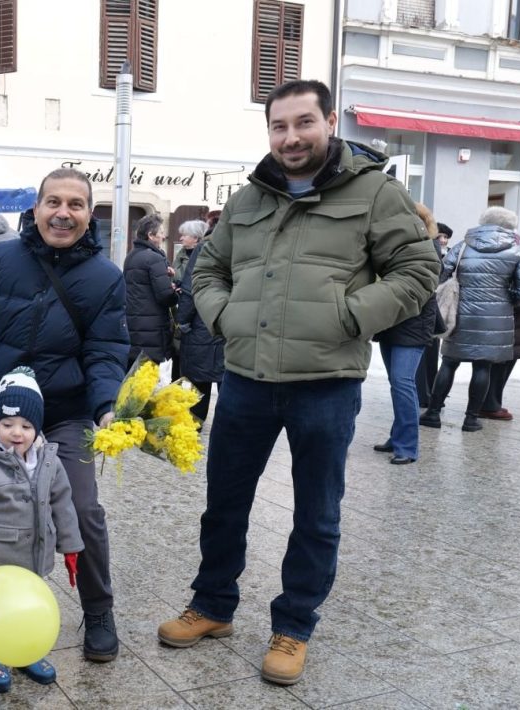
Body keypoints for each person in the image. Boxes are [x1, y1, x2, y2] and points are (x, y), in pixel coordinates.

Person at [159, 79, 438, 685]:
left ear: (329, 122)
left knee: (317, 513)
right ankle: (212, 605)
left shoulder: (375, 192)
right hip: (247, 378)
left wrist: (349, 316)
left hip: (327, 383)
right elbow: (207, 267)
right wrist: (225, 317)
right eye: (279, 126)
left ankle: (294, 625)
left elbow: (419, 268)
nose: (291, 137)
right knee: (225, 504)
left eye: (303, 123)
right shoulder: (249, 197)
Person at [0, 167, 129, 663]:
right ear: (36, 209)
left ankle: (97, 607)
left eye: (75, 205)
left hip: (65, 412)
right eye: (53, 202)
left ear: (89, 215)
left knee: (82, 507)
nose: (62, 213)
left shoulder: (105, 278)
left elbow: (106, 349)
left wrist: (104, 406)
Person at [0, 367, 83, 693]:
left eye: (26, 426)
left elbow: (62, 501)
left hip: (34, 554)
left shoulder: (48, 460)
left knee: (28, 604)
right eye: (7, 424)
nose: (17, 433)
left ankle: (28, 648)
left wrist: (70, 545)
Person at [421, 207, 520, 432]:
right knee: (483, 366)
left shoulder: (462, 246)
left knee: (449, 362)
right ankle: (471, 419)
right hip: (495, 319)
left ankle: (433, 413)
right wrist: (508, 299)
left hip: (460, 315)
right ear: (508, 227)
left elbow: (442, 274)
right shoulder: (517, 252)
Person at [371, 204, 441, 465]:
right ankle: (397, 436)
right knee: (396, 382)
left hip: (414, 322)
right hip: (390, 321)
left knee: (402, 382)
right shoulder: (392, 246)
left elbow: (420, 287)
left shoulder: (428, 247)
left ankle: (407, 446)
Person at [175, 237, 225, 425]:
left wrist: (182, 321)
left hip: (201, 323)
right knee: (228, 382)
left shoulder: (207, 245)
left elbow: (190, 288)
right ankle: (226, 426)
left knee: (197, 382)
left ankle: (193, 424)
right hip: (230, 324)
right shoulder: (247, 241)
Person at [479, 285, 520, 421]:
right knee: (499, 366)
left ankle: (491, 403)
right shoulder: (506, 269)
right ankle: (489, 406)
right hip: (507, 326)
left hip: (515, 326)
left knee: (505, 365)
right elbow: (507, 298)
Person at [123, 213, 177, 366]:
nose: (164, 236)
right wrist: (175, 292)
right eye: (160, 232)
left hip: (135, 324)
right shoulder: (154, 258)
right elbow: (165, 296)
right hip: (153, 329)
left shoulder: (132, 256)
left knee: (136, 376)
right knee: (152, 379)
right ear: (151, 235)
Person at [417, 221, 455, 408]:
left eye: (445, 237)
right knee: (424, 351)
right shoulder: (429, 251)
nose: (442, 240)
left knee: (431, 352)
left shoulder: (449, 255)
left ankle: (431, 391)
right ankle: (424, 393)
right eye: (440, 236)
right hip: (428, 305)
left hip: (438, 307)